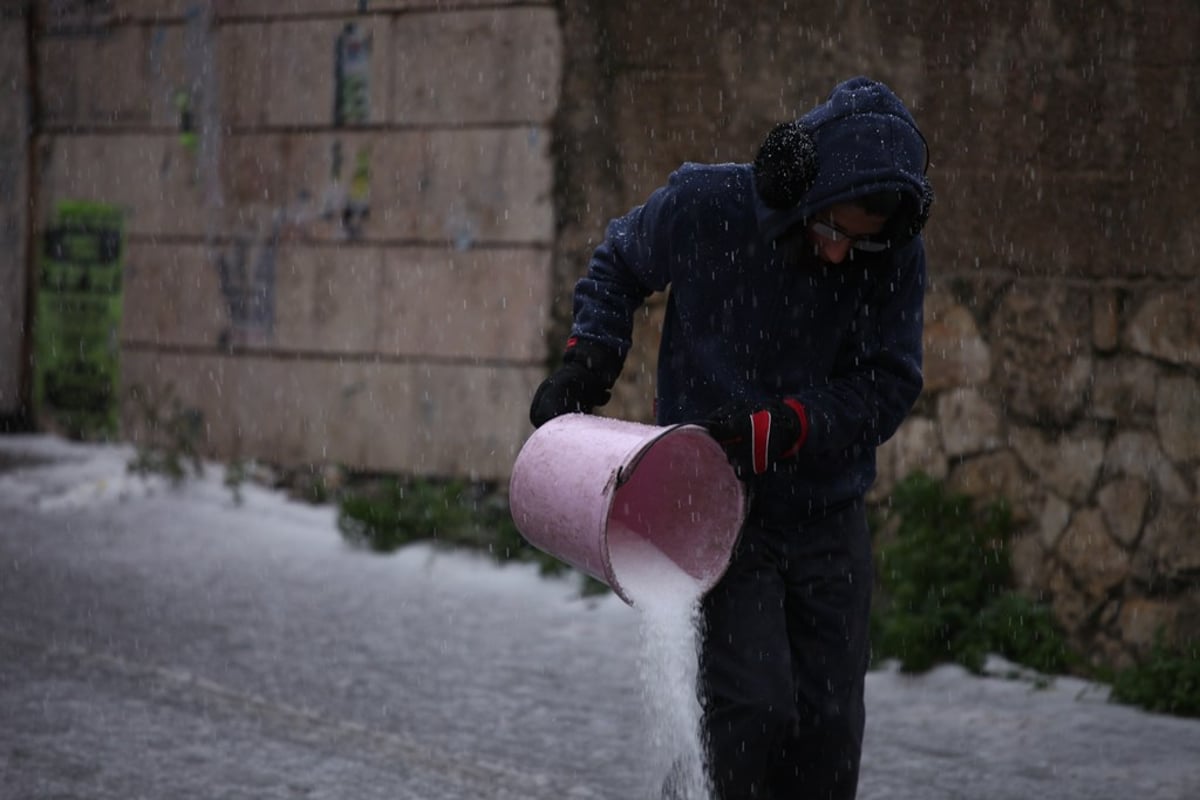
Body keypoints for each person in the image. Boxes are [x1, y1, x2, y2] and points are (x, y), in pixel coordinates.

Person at [528, 76, 933, 800]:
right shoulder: (707, 205)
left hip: (827, 519)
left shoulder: (891, 255)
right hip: (715, 510)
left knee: (828, 733)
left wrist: (781, 429)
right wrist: (590, 355)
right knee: (750, 713)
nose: (843, 256)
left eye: (860, 244)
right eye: (834, 231)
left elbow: (888, 384)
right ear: (799, 185)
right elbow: (620, 261)